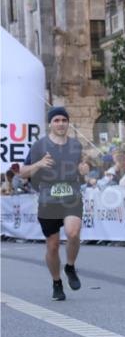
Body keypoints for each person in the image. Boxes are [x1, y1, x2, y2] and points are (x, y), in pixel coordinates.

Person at [18, 107, 84, 301]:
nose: (61, 123)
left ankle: (70, 266)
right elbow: (22, 172)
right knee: (53, 245)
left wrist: (84, 169)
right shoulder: (39, 146)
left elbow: (82, 168)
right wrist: (38, 164)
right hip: (48, 200)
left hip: (72, 196)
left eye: (64, 120)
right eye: (56, 120)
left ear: (68, 123)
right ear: (50, 123)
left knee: (73, 233)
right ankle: (57, 282)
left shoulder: (76, 145)